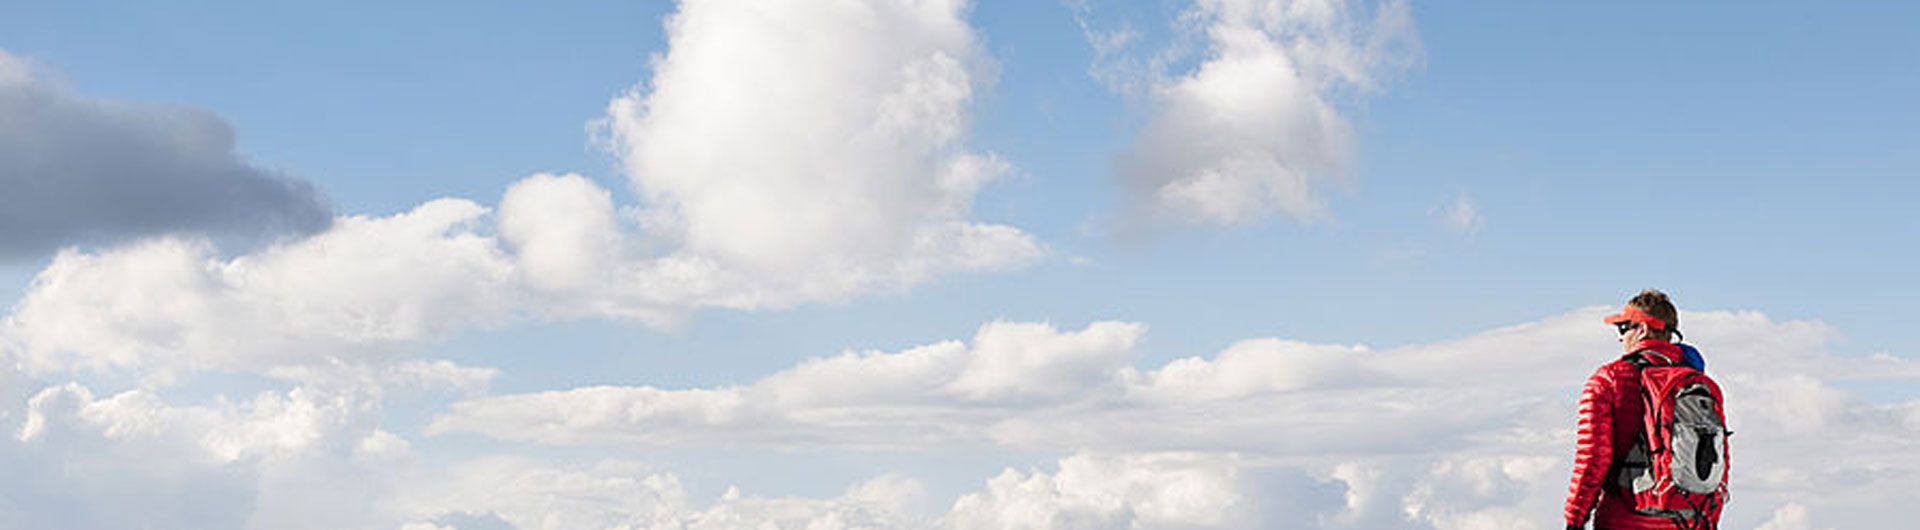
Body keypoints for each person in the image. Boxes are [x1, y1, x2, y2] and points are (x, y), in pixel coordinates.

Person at [1562, 289, 1719, 529]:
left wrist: (1574, 520)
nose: (1620, 338)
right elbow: (1717, 459)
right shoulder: (1703, 386)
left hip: (1624, 519)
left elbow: (1592, 460)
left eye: (1623, 328)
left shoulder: (1609, 380)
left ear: (1643, 329)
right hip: (1690, 521)